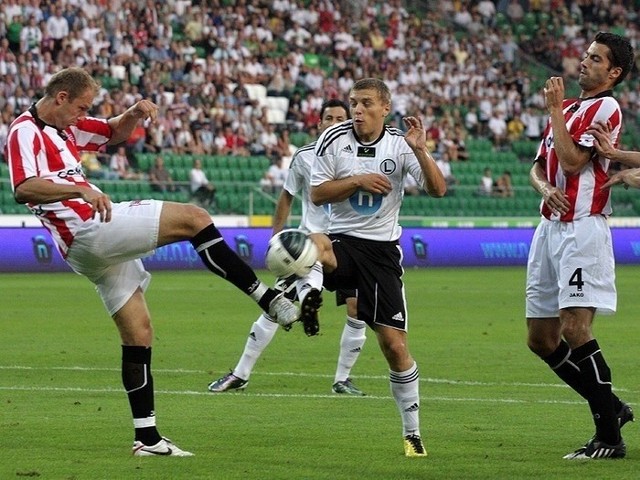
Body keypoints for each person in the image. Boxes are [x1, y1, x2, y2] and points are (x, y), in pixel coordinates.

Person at [6, 67, 299, 457]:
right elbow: (23, 187)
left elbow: (112, 132)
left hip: (89, 249)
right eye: (80, 107)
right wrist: (76, 187)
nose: (83, 114)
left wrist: (134, 113)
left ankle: (148, 440)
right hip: (90, 228)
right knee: (195, 217)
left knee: (139, 333)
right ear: (60, 98)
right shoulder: (24, 132)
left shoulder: (67, 128)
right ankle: (268, 299)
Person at [296, 78, 446, 457]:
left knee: (395, 348)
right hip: (343, 241)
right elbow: (317, 193)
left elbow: (438, 189)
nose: (357, 111)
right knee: (315, 242)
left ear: (384, 108)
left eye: (365, 104)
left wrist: (422, 152)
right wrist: (358, 179)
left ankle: (412, 434)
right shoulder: (334, 139)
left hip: (381, 254)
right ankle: (306, 291)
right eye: (353, 103)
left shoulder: (400, 143)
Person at [208, 99, 367, 396]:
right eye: (328, 118)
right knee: (274, 305)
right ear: (319, 124)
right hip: (310, 243)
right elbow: (286, 196)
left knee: (357, 309)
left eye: (339, 118)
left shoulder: (361, 157)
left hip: (350, 243)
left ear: (348, 123)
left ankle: (342, 378)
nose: (333, 123)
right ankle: (240, 374)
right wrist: (276, 237)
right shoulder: (305, 156)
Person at [525, 32, 635, 460]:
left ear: (614, 72)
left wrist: (553, 109)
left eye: (596, 58)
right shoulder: (568, 109)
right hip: (548, 226)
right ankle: (612, 407)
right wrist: (544, 187)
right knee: (540, 338)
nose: (584, 62)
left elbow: (573, 163)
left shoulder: (604, 107)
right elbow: (539, 165)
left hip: (582, 228)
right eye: (586, 55)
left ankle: (609, 436)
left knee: (574, 329)